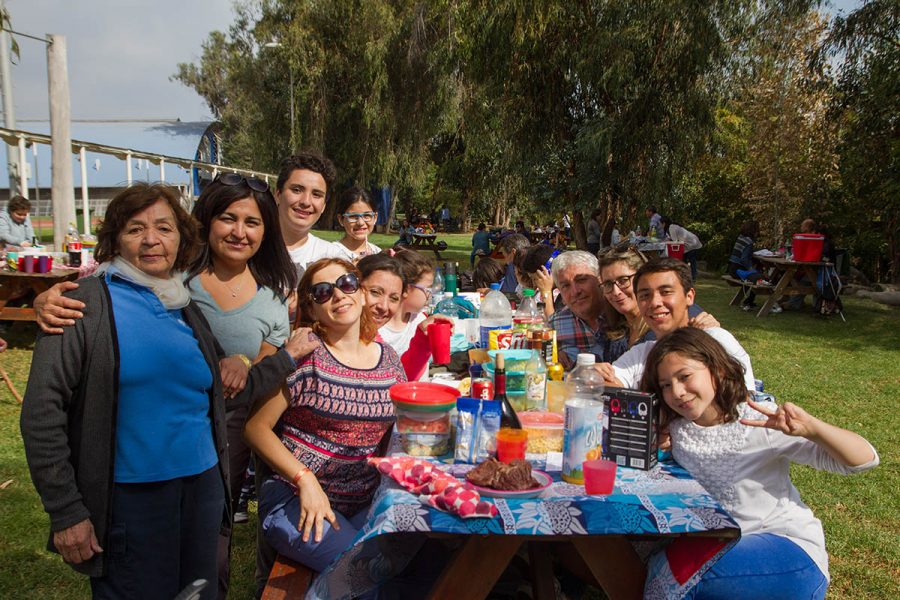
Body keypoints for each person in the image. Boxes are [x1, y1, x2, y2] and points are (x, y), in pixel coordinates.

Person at [19, 183, 289, 599]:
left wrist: (286, 358)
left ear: (181, 238)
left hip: (200, 493)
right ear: (114, 239)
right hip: (130, 502)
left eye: (164, 228)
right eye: (134, 229)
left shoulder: (183, 307)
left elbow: (224, 389)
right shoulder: (83, 304)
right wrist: (66, 510)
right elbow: (42, 414)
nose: (151, 239)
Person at [639, 327, 879, 599]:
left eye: (685, 376)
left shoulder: (760, 423)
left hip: (786, 548)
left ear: (717, 371)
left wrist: (813, 428)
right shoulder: (677, 429)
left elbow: (864, 459)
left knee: (691, 576)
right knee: (658, 561)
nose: (678, 392)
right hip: (719, 543)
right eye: (666, 385)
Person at [243, 258, 406, 582]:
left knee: (420, 561)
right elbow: (255, 428)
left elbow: (395, 429)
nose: (338, 295)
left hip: (363, 500)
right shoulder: (306, 358)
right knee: (366, 573)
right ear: (312, 309)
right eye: (322, 292)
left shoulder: (389, 361)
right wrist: (305, 479)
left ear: (360, 293)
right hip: (297, 499)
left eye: (346, 283)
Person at [596, 258, 753, 390]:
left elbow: (745, 403)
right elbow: (609, 383)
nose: (655, 303)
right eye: (645, 295)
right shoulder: (642, 353)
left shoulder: (717, 341)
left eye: (666, 292)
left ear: (689, 296)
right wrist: (594, 375)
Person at [275, 151, 339, 280]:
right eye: (297, 190)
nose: (306, 201)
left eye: (316, 194)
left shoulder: (333, 257)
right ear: (278, 195)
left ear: (324, 206)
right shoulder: (251, 249)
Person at [547, 250, 609, 369]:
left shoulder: (620, 314)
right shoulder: (556, 323)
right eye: (566, 286)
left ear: (600, 280)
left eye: (581, 280)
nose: (575, 291)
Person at [726, 220, 774, 312]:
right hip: (739, 271)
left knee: (758, 276)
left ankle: (749, 301)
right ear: (754, 230)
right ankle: (749, 302)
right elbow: (744, 259)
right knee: (762, 278)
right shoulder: (749, 242)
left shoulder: (741, 238)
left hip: (732, 269)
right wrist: (752, 269)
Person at [329, 187, 381, 262]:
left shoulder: (378, 253)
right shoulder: (331, 254)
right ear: (341, 219)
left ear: (375, 218)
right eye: (353, 216)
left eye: (367, 216)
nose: (360, 222)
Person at [518, 244, 563, 318]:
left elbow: (552, 324)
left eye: (535, 279)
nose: (535, 283)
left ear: (547, 272)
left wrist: (546, 291)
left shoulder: (569, 293)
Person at [660, 216, 703, 281]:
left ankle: (693, 277)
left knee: (691, 260)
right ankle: (686, 276)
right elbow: (671, 238)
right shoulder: (671, 227)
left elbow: (674, 241)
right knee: (685, 260)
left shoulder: (672, 227)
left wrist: (666, 241)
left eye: (660, 223)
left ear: (664, 223)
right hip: (690, 243)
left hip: (692, 244)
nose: (660, 225)